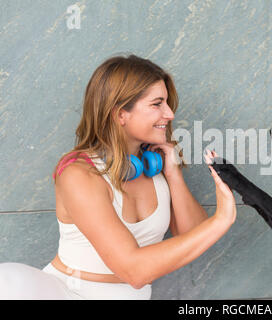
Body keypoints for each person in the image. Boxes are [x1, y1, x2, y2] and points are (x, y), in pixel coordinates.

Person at [0, 54, 236, 299]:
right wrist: (221, 219)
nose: (170, 114)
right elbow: (134, 271)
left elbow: (194, 238)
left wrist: (173, 174)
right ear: (120, 114)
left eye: (167, 103)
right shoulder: (78, 173)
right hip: (68, 293)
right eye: (157, 104)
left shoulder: (152, 165)